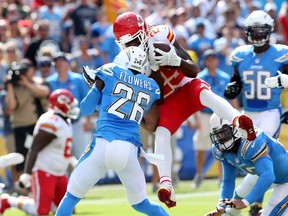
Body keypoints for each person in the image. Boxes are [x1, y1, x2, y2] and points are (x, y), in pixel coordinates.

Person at [112, 11, 253, 208]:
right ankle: (167, 184)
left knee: (206, 95)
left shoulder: (161, 35)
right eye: (126, 44)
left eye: (134, 41)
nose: (132, 47)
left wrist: (175, 59)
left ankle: (239, 121)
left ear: (144, 33)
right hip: (168, 102)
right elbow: (153, 113)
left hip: (186, 86)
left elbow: (193, 69)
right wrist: (149, 74)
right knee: (161, 133)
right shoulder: (126, 64)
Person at [55, 46, 168, 216]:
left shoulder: (110, 71)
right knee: (141, 204)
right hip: (129, 150)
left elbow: (85, 109)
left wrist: (96, 87)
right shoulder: (151, 85)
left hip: (102, 144)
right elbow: (152, 125)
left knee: (70, 197)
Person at [223, 10, 288, 215]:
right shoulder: (240, 55)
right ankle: (256, 204)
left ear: (269, 31)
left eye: (262, 31)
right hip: (247, 112)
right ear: (247, 32)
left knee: (259, 153)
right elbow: (237, 79)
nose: (259, 36)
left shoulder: (281, 53)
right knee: (252, 159)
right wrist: (233, 86)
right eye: (254, 31)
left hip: (270, 111)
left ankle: (238, 199)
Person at [0, 89, 79, 215]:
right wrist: (27, 174)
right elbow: (34, 148)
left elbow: (62, 148)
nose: (72, 107)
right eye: (69, 104)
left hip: (59, 173)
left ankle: (42, 201)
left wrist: (72, 161)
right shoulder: (51, 120)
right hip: (44, 170)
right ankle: (8, 200)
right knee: (41, 211)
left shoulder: (65, 120)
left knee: (67, 210)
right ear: (60, 105)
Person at [205, 113, 288, 216]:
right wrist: (221, 207)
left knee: (270, 210)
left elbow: (268, 176)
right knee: (237, 197)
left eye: (224, 133)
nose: (220, 139)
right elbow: (228, 180)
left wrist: (245, 202)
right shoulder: (221, 151)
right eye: (217, 135)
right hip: (268, 172)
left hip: (285, 178)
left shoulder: (251, 142)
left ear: (235, 130)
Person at [189, 49, 235, 189]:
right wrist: (195, 118)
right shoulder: (200, 77)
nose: (211, 61)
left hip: (221, 114)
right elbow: (194, 99)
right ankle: (199, 174)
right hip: (204, 113)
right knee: (201, 147)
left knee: (224, 146)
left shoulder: (225, 76)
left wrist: (235, 113)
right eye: (208, 59)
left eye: (213, 58)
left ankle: (221, 177)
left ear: (217, 60)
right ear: (205, 61)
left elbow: (231, 96)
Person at [5, 58, 50, 182]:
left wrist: (27, 84)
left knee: (43, 157)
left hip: (41, 125)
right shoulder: (14, 87)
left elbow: (45, 92)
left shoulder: (39, 81)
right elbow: (11, 106)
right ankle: (21, 189)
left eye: (27, 67)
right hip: (23, 127)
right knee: (21, 159)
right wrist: (9, 85)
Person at [46, 51, 91, 159]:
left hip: (76, 122)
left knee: (79, 155)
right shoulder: (49, 81)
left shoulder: (77, 79)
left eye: (62, 61)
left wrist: (87, 120)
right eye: (57, 61)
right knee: (61, 157)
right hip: (57, 124)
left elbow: (86, 100)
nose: (60, 63)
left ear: (68, 63)